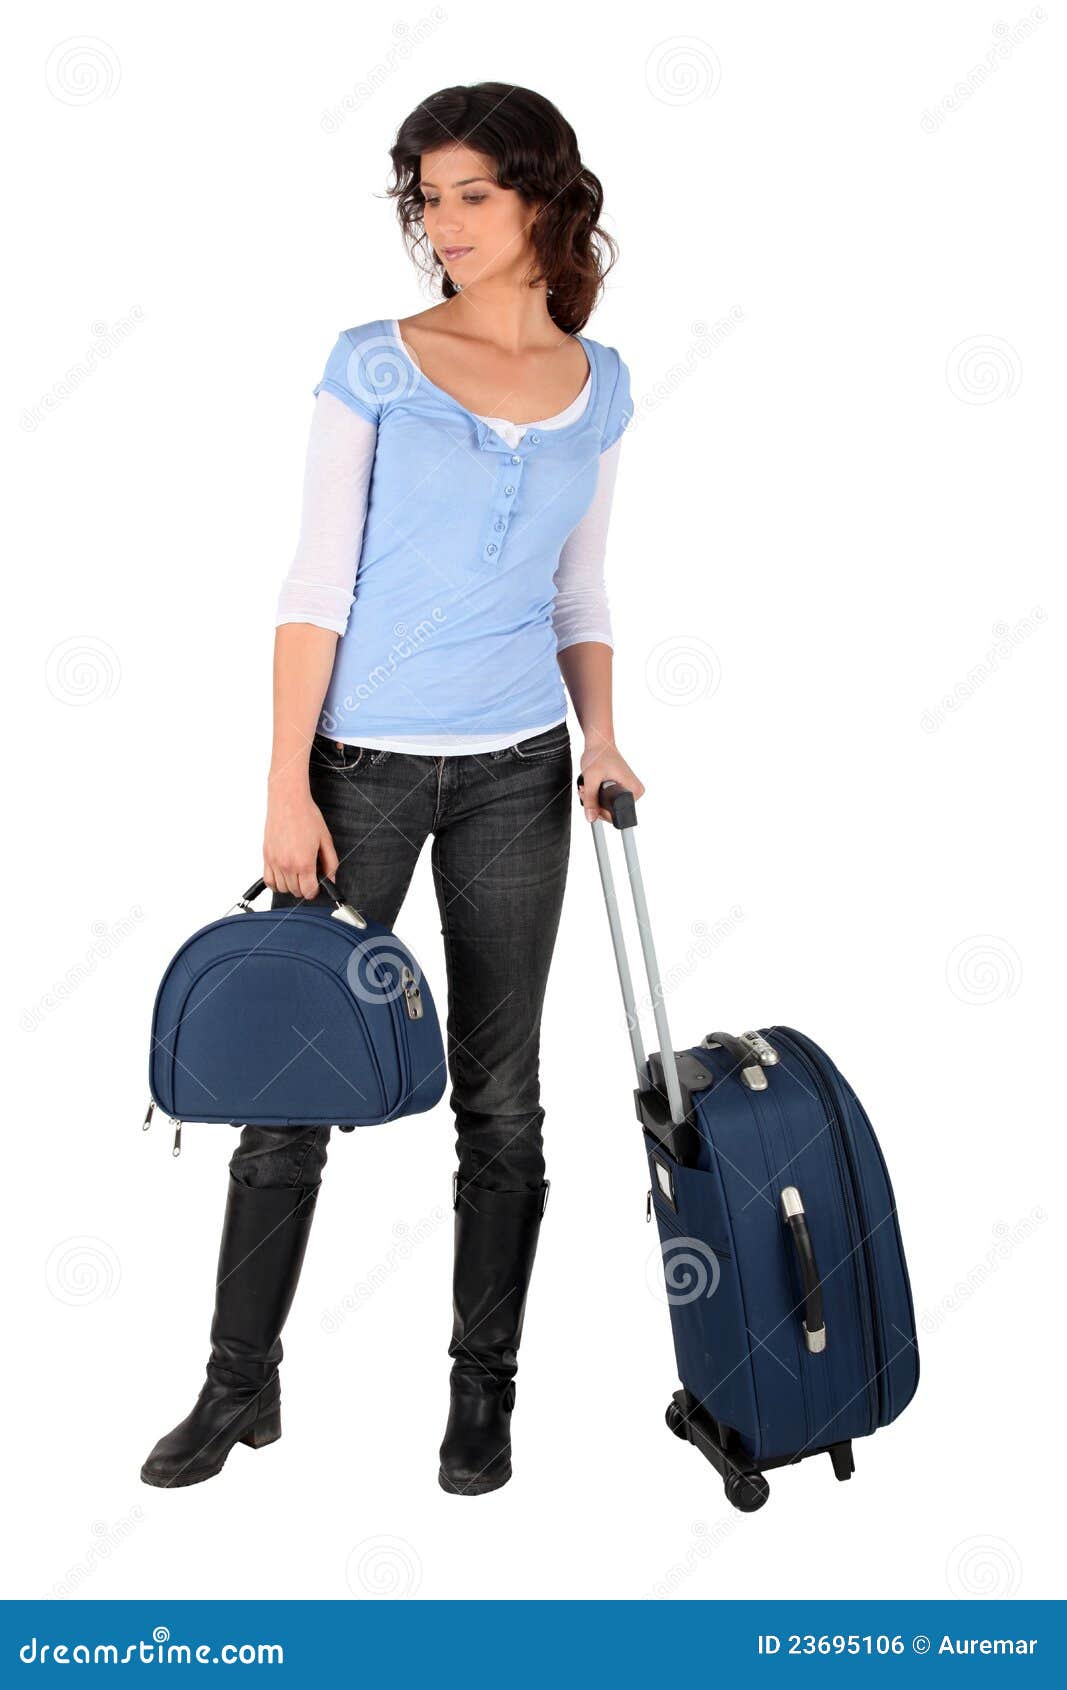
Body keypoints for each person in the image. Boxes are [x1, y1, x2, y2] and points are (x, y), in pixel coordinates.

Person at [141, 81, 644, 1496]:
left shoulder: (601, 384)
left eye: (474, 193)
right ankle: (238, 1385)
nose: (445, 222)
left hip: (517, 778)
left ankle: (482, 1398)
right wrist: (284, 785)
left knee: (504, 1097)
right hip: (356, 772)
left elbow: (581, 588)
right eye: (429, 197)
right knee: (288, 1085)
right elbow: (316, 584)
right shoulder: (374, 361)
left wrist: (603, 734)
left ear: (545, 195)